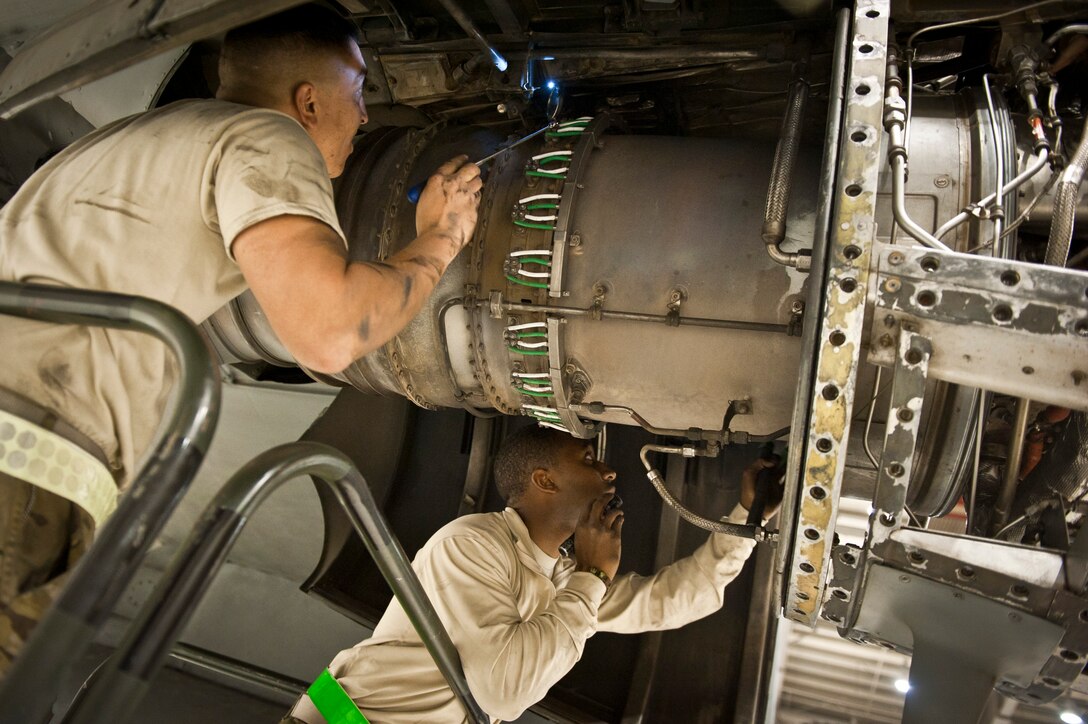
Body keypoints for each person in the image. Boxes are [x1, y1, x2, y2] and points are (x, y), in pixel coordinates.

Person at [0, 4, 482, 674]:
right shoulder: (266, 138)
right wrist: (440, 239)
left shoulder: (129, 139)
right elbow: (330, 333)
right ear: (308, 101)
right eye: (359, 89)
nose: (367, 115)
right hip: (28, 459)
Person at [285, 425, 778, 723]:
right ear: (544, 481)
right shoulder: (471, 543)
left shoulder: (562, 577)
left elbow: (680, 598)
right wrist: (591, 577)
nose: (609, 471)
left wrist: (746, 518)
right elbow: (504, 688)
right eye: (588, 459)